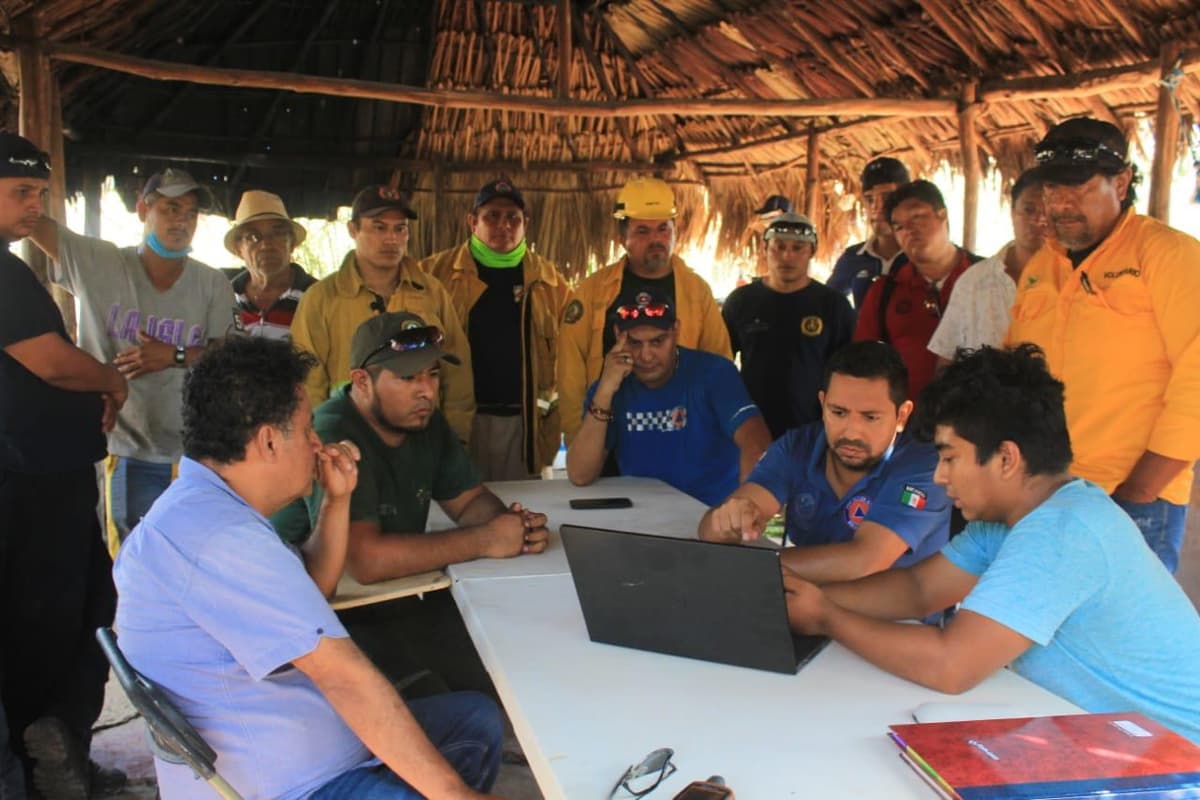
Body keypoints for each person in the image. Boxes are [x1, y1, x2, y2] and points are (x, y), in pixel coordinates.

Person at [114, 336, 504, 798]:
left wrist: (336, 502)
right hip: (292, 785)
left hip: (299, 743)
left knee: (475, 720)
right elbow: (345, 678)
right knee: (437, 769)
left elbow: (311, 591)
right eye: (306, 429)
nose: (318, 442)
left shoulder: (205, 509)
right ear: (269, 441)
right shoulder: (221, 540)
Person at [782, 345, 1200, 745]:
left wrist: (826, 616)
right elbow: (917, 591)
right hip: (1104, 738)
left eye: (949, 458)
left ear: (1006, 459)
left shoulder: (1063, 530)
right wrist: (803, 598)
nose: (942, 477)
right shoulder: (1014, 519)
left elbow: (952, 665)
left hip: (1174, 763)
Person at [273, 312, 549, 692]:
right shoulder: (335, 432)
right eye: (408, 377)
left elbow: (469, 501)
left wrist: (515, 527)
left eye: (433, 373)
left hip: (394, 597)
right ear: (361, 381)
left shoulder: (421, 420)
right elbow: (366, 561)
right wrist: (485, 539)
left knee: (514, 655)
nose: (427, 391)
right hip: (317, 622)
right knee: (459, 695)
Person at [1007, 117, 1200, 573]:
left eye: (1079, 187)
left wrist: (1139, 492)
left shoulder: (1168, 254)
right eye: (1053, 189)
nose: (1062, 203)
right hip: (1041, 493)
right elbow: (1015, 376)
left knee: (1122, 639)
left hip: (1129, 496)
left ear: (1122, 181)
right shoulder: (1041, 268)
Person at [0, 133, 127, 797]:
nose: (34, 206)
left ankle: (57, 745)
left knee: (75, 612)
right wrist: (110, 378)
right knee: (52, 621)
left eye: (40, 194)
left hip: (44, 472)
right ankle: (43, 753)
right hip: (34, 481)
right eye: (21, 192)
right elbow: (48, 359)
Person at [29, 167, 234, 554]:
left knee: (188, 557)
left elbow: (228, 357)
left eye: (191, 213)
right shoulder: (99, 262)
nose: (182, 221)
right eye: (171, 208)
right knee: (126, 557)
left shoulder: (212, 283)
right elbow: (30, 218)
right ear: (143, 209)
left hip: (192, 454)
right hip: (120, 447)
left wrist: (173, 354)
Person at [700, 341, 948, 583]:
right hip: (807, 606)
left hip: (899, 620)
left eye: (870, 417)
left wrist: (752, 566)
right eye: (838, 412)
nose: (851, 432)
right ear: (822, 404)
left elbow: (864, 560)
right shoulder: (798, 446)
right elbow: (711, 529)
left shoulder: (926, 466)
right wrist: (729, 521)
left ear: (901, 415)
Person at [291, 184, 475, 443]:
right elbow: (309, 382)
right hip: (349, 443)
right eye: (379, 227)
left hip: (422, 439)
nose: (391, 239)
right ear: (353, 230)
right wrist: (320, 444)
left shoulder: (431, 292)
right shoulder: (321, 298)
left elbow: (458, 373)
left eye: (400, 229)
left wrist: (456, 438)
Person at [558, 177, 731, 446]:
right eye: (642, 231)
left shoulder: (696, 291)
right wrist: (578, 434)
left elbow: (720, 364)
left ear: (676, 231)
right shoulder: (594, 290)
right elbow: (570, 366)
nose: (656, 239)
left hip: (678, 434)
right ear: (621, 237)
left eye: (663, 228)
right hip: (608, 434)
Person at [421, 179, 573, 480]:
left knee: (525, 516)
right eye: (492, 215)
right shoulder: (432, 275)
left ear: (525, 223)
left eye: (512, 217)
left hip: (526, 427)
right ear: (472, 221)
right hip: (457, 422)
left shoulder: (551, 283)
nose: (503, 224)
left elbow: (570, 357)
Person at [566, 289, 770, 506]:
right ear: (618, 335)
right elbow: (580, 474)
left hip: (711, 514)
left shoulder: (714, 373)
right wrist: (605, 391)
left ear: (676, 330)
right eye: (635, 343)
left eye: (657, 341)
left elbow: (755, 442)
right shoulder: (609, 387)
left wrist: (745, 506)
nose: (646, 355)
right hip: (641, 519)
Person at [722, 213, 855, 438]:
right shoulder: (741, 301)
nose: (787, 256)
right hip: (753, 428)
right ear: (765, 248)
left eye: (798, 248)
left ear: (811, 252)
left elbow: (849, 373)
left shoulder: (833, 305)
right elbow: (721, 364)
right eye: (779, 246)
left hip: (814, 431)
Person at [853, 180, 981, 402]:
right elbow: (864, 366)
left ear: (942, 215)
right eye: (899, 227)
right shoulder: (885, 291)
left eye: (917, 218)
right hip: (910, 426)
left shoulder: (988, 279)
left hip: (979, 425)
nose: (909, 231)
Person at [928, 170, 1045, 366]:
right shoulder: (974, 280)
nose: (1039, 220)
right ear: (1012, 211)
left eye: (1048, 211)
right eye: (1029, 209)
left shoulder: (1075, 279)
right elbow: (947, 358)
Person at [225, 189, 317, 339]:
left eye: (278, 234)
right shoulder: (225, 298)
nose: (266, 245)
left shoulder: (317, 297)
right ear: (238, 249)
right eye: (253, 236)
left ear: (292, 243)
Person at [827, 157, 911, 308]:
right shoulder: (853, 258)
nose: (876, 207)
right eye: (869, 199)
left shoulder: (921, 256)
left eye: (887, 197)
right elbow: (826, 306)